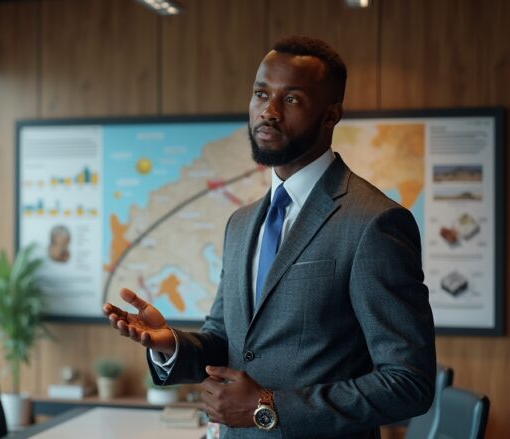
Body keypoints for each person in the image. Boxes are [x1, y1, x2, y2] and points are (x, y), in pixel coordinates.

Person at [103, 36, 435, 438]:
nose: (269, 111)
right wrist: (168, 344)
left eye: (291, 99)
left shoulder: (374, 222)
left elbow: (408, 383)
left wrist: (269, 408)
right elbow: (227, 342)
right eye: (261, 94)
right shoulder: (241, 223)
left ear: (331, 115)